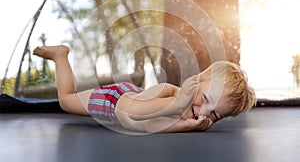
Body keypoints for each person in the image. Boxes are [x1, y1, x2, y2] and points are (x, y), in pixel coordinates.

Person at [33, 45, 256, 133]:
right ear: (195, 81)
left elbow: (152, 127)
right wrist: (178, 106)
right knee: (66, 100)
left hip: (134, 94)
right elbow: (131, 117)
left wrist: (186, 126)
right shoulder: (169, 92)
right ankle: (60, 55)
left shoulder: (189, 117)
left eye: (215, 115)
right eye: (206, 99)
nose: (205, 113)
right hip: (114, 100)